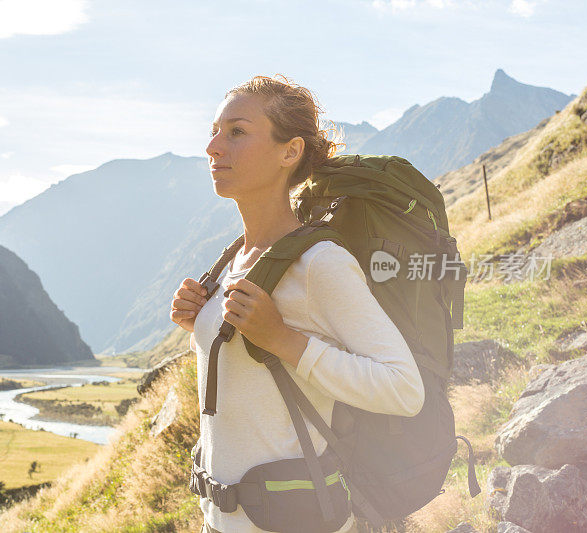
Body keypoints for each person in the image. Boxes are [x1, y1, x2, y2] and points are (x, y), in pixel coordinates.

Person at [170, 74, 425, 533]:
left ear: (289, 151)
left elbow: (404, 389)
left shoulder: (321, 263)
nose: (212, 146)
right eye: (214, 130)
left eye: (237, 132)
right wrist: (200, 324)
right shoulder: (233, 259)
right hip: (219, 521)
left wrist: (285, 340)